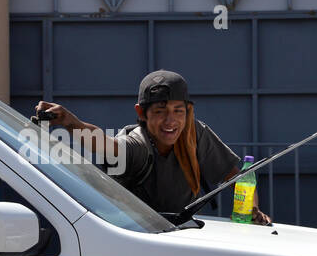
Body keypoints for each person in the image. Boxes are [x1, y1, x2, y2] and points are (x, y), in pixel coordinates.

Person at [33, 70, 271, 223]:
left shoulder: (196, 134)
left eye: (178, 111)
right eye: (159, 112)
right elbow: (106, 146)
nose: (170, 121)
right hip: (134, 240)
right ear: (141, 113)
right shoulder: (138, 144)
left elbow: (236, 176)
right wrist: (71, 123)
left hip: (182, 234)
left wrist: (251, 209)